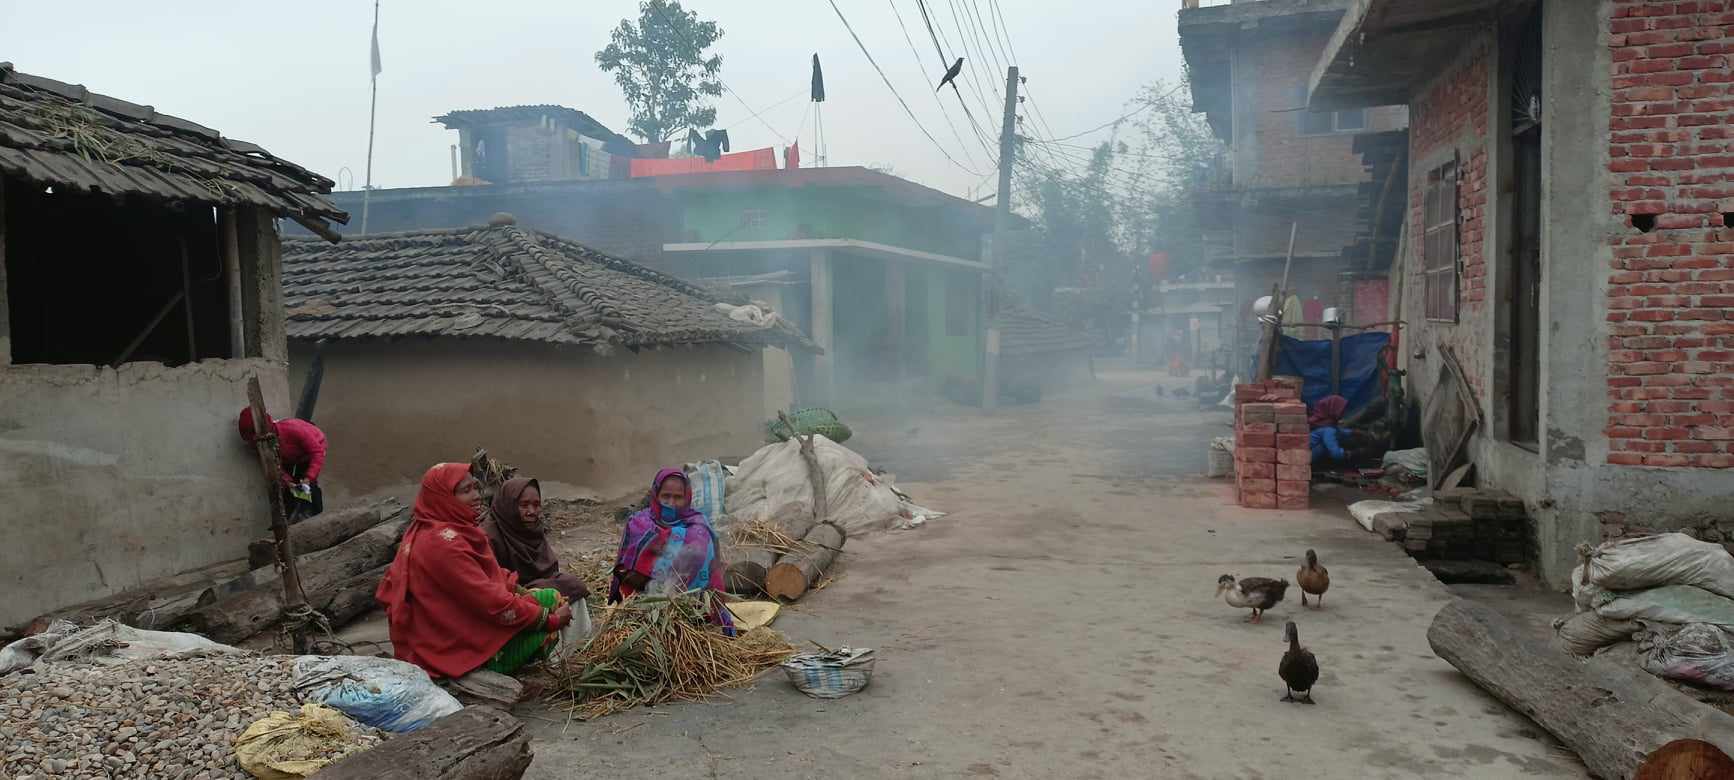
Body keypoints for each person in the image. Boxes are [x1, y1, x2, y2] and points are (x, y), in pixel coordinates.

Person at [376, 463, 576, 678]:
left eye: (475, 488)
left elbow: (490, 577)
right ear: (442, 497)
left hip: (461, 621)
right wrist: (549, 620)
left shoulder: (448, 530)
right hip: (449, 646)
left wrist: (522, 594)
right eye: (465, 491)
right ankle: (504, 668)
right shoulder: (444, 545)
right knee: (549, 621)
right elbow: (492, 602)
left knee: (551, 597)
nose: (476, 496)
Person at [609, 468, 734, 634]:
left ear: (687, 497)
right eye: (666, 496)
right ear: (655, 495)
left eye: (678, 497)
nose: (671, 503)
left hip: (690, 615)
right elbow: (623, 568)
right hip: (639, 611)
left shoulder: (699, 528)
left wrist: (720, 613)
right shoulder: (638, 523)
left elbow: (713, 575)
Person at [483, 477, 590, 603]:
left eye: (536, 505)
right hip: (509, 596)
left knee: (574, 586)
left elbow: (548, 571)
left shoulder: (532, 529)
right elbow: (492, 583)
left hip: (534, 586)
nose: (532, 512)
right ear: (508, 505)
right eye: (524, 505)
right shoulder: (488, 536)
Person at [237, 407, 327, 518]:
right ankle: (289, 516)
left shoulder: (293, 429)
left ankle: (314, 514)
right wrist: (288, 482)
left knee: (308, 486)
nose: (258, 444)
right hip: (289, 456)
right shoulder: (262, 445)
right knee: (290, 489)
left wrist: (309, 478)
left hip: (312, 450)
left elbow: (317, 452)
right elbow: (276, 467)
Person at [1308, 394, 1351, 464]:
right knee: (1326, 446)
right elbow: (1336, 454)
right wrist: (1351, 454)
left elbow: (1338, 431)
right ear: (1333, 409)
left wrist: (1352, 432)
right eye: (1341, 410)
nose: (1343, 413)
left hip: (1302, 453)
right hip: (1306, 458)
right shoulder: (1328, 429)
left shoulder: (1320, 421)